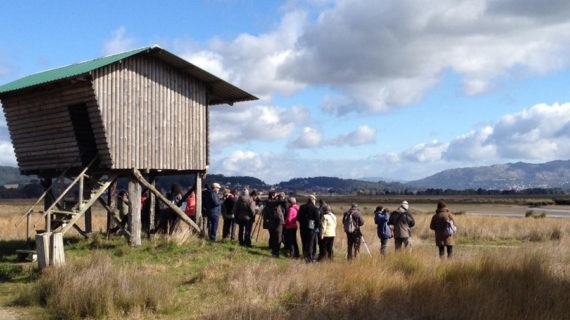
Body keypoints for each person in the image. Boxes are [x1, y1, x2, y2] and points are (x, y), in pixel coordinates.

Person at [297, 195, 321, 262]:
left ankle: (304, 256)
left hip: (302, 228)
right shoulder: (315, 208)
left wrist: (303, 222)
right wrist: (316, 227)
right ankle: (309, 258)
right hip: (311, 228)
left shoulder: (302, 207)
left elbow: (298, 218)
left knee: (304, 242)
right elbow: (318, 220)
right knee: (310, 243)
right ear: (313, 200)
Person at [262, 191, 285, 257]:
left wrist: (278, 197)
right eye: (274, 195)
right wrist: (279, 198)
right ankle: (276, 252)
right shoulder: (269, 201)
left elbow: (283, 204)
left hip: (276, 221)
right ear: (272, 195)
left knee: (276, 236)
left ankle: (275, 251)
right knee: (277, 237)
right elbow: (279, 202)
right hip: (275, 221)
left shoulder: (273, 201)